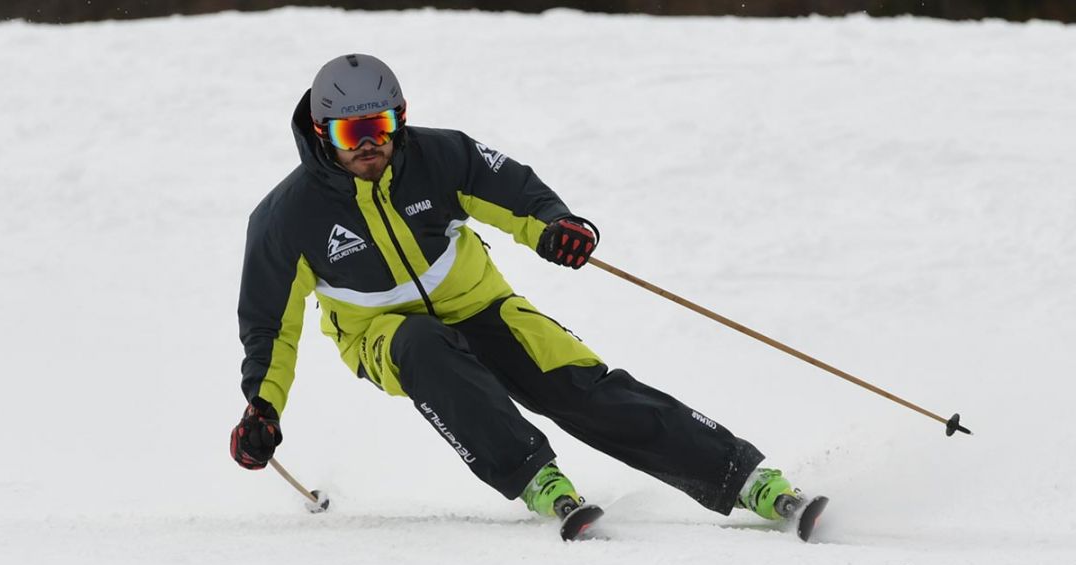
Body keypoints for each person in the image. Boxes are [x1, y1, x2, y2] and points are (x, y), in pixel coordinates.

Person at [230, 53, 803, 527]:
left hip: (481, 306)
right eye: (350, 132)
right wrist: (264, 406)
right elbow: (270, 325)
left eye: (378, 127)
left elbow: (513, 190)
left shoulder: (441, 156)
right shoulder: (287, 217)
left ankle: (746, 479)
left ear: (399, 121)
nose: (367, 146)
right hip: (384, 338)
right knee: (424, 344)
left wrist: (556, 227)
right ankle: (536, 477)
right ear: (321, 133)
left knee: (579, 383)